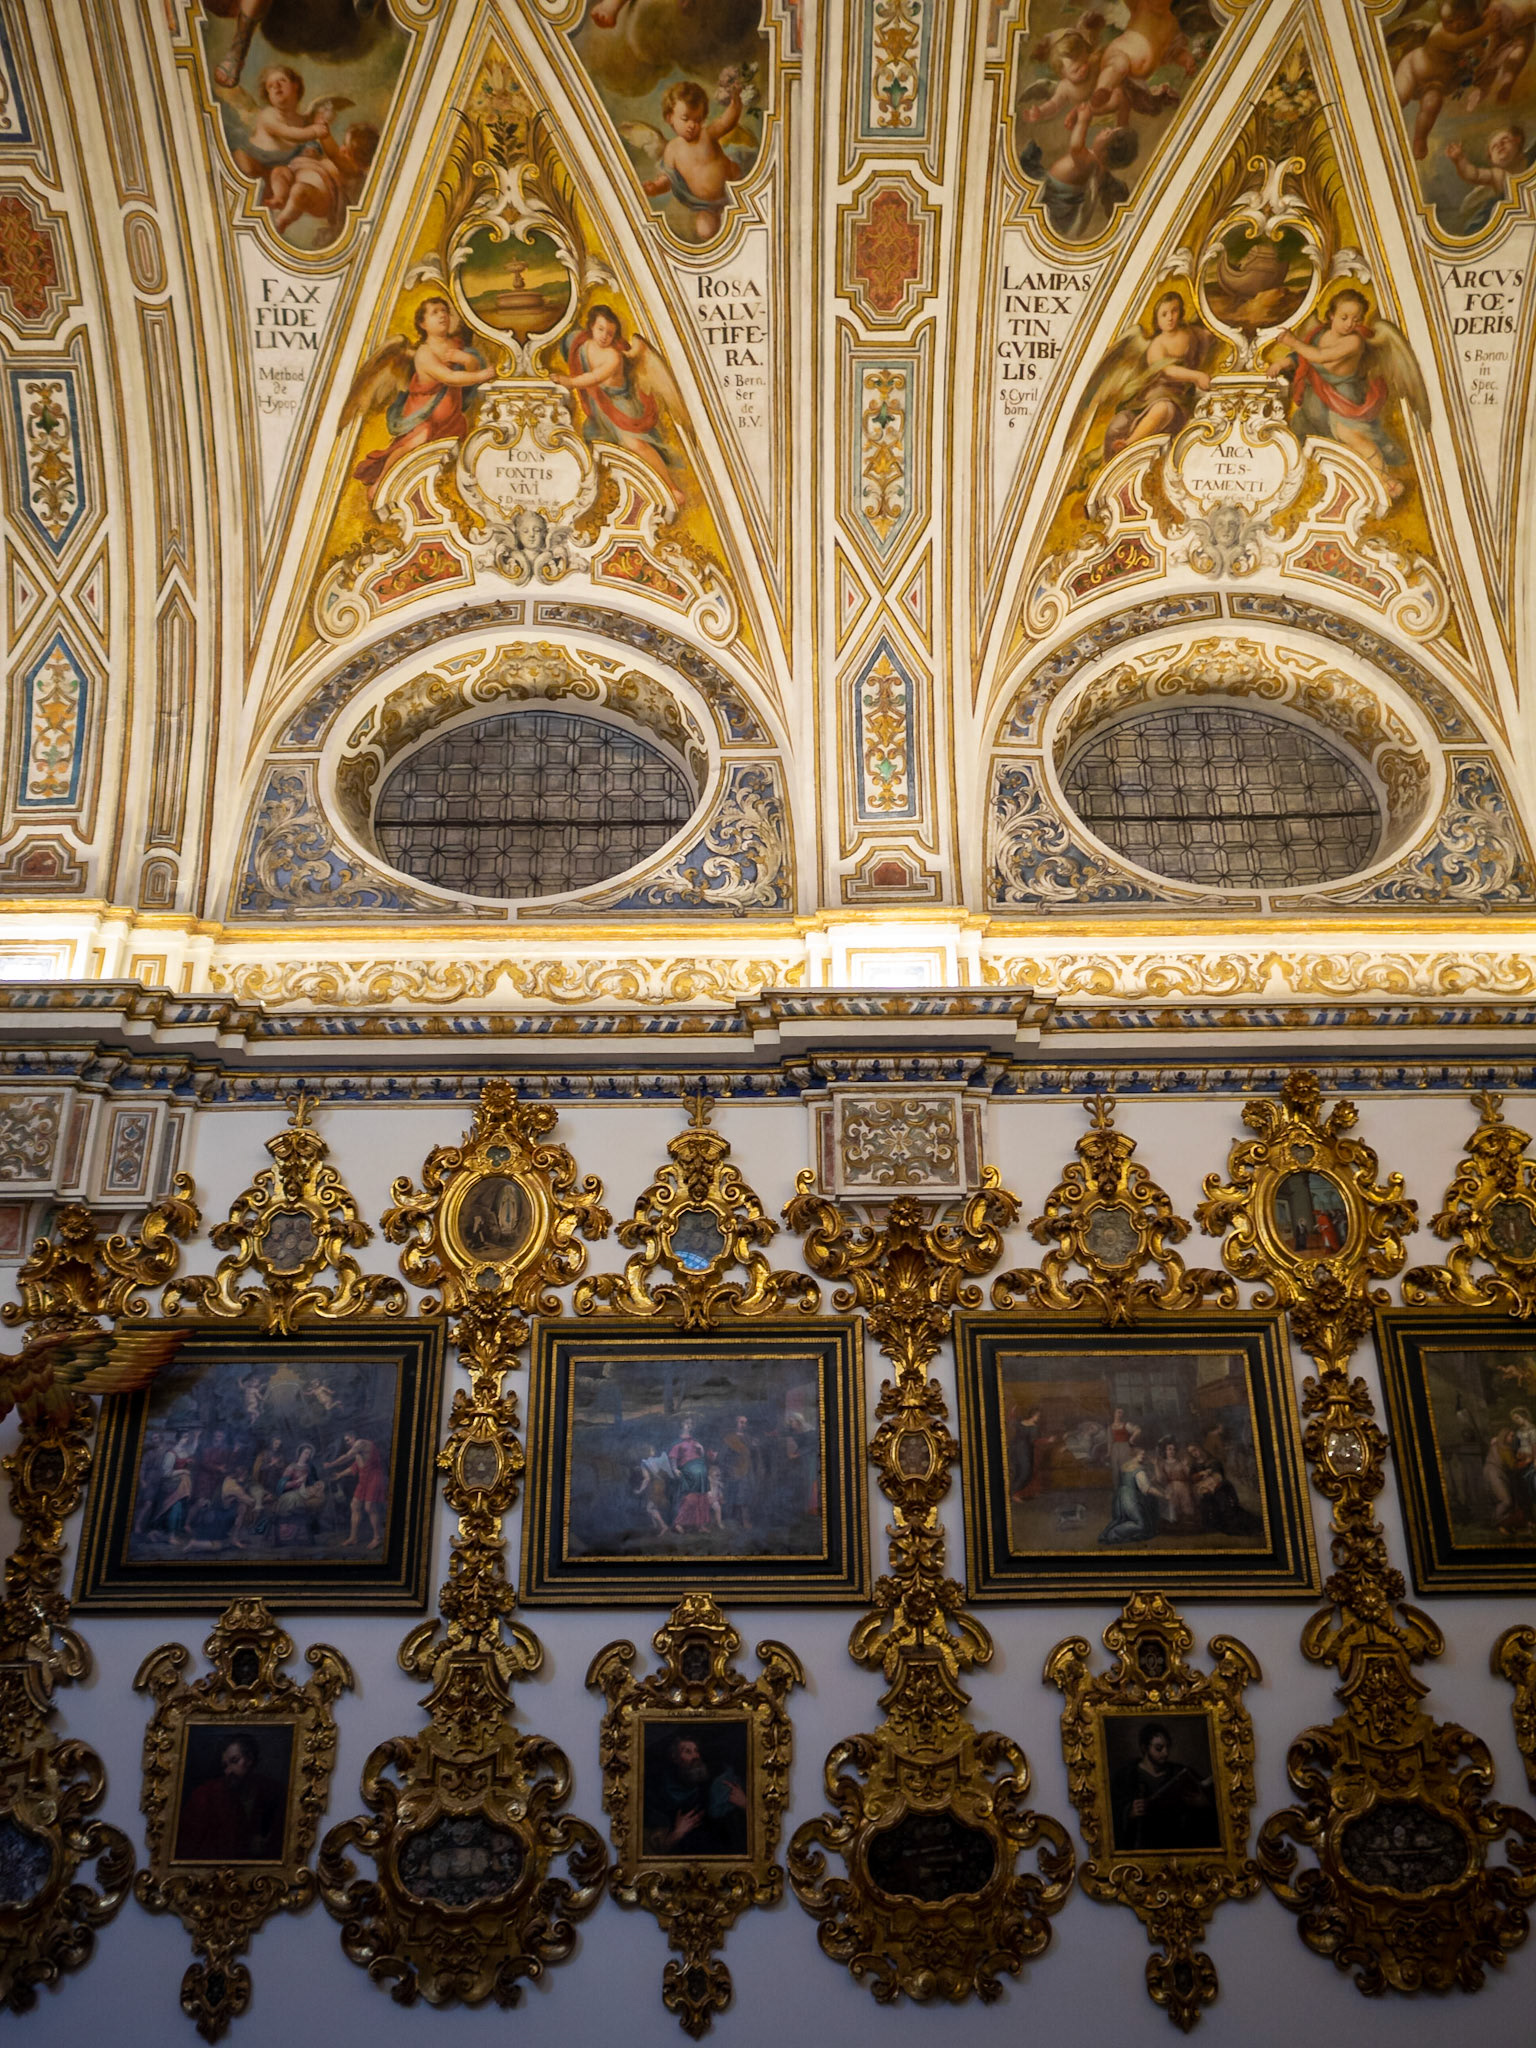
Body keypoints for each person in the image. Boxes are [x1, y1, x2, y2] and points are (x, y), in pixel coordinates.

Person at [350, 296, 494, 501]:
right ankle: (382, 481)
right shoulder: (424, 353)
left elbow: (470, 374)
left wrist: (467, 359)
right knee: (413, 442)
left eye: (445, 310)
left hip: (452, 419)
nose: (442, 315)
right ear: (422, 323)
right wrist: (483, 375)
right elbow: (450, 378)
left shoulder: (456, 345)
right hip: (423, 418)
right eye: (435, 312)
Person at [552, 305, 686, 509]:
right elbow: (567, 341)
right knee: (591, 443)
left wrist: (568, 381)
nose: (604, 336)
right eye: (600, 329)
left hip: (621, 406)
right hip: (601, 407)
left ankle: (671, 488)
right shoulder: (582, 344)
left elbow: (594, 377)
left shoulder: (613, 356)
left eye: (610, 333)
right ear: (591, 327)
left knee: (635, 444)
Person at [639, 76, 750, 241]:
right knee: (705, 231)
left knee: (749, 203)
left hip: (734, 186)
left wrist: (736, 103)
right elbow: (668, 179)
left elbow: (727, 122)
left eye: (697, 120)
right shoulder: (672, 150)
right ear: (670, 117)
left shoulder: (706, 135)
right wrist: (655, 187)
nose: (692, 125)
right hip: (707, 206)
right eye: (685, 119)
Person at [175, 1733, 287, 1861]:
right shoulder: (207, 1794)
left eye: (234, 1761)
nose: (228, 1771)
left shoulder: (272, 1791)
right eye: (225, 1766)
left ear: (250, 1759)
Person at [1109, 1723, 1219, 1853]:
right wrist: (1128, 1812)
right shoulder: (1126, 1775)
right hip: (1142, 1847)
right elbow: (1110, 1812)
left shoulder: (1179, 1772)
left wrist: (1204, 1803)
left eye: (1167, 1747)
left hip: (1177, 1844)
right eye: (1159, 1748)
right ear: (1144, 1748)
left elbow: (1213, 1803)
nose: (1166, 1753)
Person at [643, 1732, 747, 1856]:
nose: (696, 1756)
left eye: (696, 1751)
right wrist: (676, 1834)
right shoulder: (659, 1792)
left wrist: (745, 1804)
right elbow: (649, 1848)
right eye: (687, 1751)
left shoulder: (714, 1781)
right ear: (675, 1758)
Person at [1445, 125, 1528, 232]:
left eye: (1505, 140)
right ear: (1491, 159)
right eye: (1494, 147)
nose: (1500, 145)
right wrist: (1460, 159)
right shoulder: (1498, 175)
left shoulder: (1531, 160)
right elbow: (1474, 175)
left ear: (1518, 141)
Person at [324, 1430, 387, 1549]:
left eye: (348, 1440)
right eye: (345, 1441)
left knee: (369, 1507)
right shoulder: (359, 1453)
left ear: (353, 1438)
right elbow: (353, 1468)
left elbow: (347, 1457)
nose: (347, 1443)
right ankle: (353, 1538)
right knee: (355, 1505)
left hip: (373, 1479)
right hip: (363, 1481)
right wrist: (340, 1475)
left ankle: (377, 1537)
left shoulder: (361, 1443)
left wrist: (331, 1464)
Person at [1098, 1445, 1164, 1544]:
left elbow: (1132, 1481)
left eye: (1144, 1454)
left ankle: (1105, 1534)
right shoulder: (1139, 1469)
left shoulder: (1124, 1466)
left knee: (1119, 1519)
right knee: (1140, 1525)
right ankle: (1113, 1534)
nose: (1143, 1456)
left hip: (1120, 1496)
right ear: (1135, 1454)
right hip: (1131, 1498)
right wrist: (1164, 1496)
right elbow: (1147, 1488)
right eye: (1142, 1454)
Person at [669, 1418, 713, 1533]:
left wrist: (701, 1449)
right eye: (687, 1423)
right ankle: (678, 1523)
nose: (690, 1425)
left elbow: (702, 1456)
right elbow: (673, 1457)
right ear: (681, 1425)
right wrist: (674, 1469)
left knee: (702, 1498)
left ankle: (701, 1525)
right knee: (690, 1498)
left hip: (700, 1471)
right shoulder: (677, 1443)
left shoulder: (695, 1441)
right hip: (689, 1471)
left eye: (691, 1423)